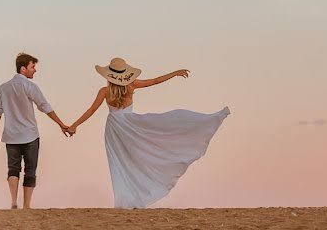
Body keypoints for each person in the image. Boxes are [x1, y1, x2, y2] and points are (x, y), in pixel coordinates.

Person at [67, 57, 230, 208]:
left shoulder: (104, 91)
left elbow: (92, 110)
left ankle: (128, 198)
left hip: (114, 128)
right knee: (140, 157)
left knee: (119, 163)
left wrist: (75, 125)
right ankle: (139, 194)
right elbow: (155, 81)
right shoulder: (131, 85)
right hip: (131, 125)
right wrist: (175, 73)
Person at [0, 52, 71, 209]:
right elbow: (44, 106)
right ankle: (26, 205)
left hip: (11, 135)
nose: (35, 70)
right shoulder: (30, 86)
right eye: (32, 67)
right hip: (30, 135)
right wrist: (61, 124)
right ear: (23, 69)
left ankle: (14, 201)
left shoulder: (4, 87)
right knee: (30, 170)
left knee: (13, 169)